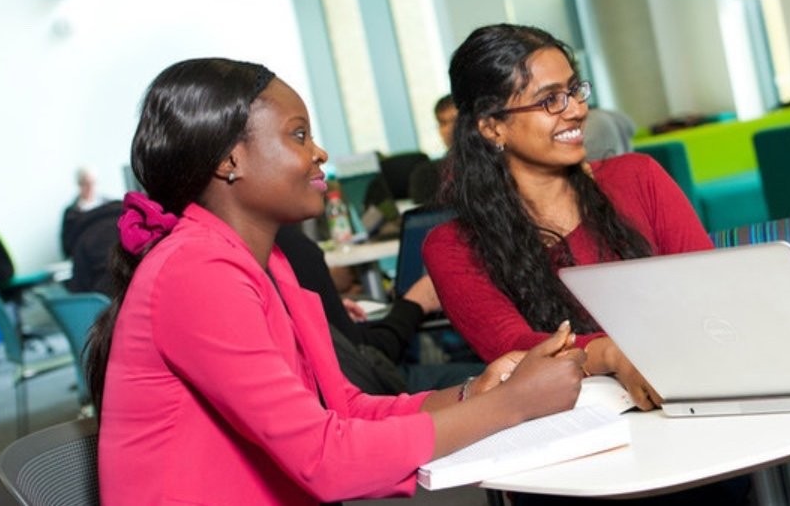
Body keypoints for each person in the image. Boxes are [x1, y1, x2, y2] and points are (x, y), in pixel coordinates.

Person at [84, 58, 585, 505]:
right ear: (228, 160)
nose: (319, 152)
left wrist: (474, 394)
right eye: (298, 135)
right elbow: (325, 459)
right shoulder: (196, 271)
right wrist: (512, 406)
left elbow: (341, 408)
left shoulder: (267, 262)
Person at [423, 24, 713, 411]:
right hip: (574, 432)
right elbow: (514, 346)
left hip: (690, 393)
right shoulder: (453, 246)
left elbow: (707, 289)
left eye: (574, 90)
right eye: (549, 101)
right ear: (492, 127)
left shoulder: (637, 178)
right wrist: (611, 355)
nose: (576, 109)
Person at [274, 223, 483, 394]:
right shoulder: (289, 247)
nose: (320, 170)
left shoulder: (271, 250)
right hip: (371, 390)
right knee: (490, 377)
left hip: (348, 389)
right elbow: (371, 359)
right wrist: (415, 303)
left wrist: (333, 312)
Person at [409, 94, 458, 204]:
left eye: (455, 120)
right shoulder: (428, 175)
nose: (449, 129)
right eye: (443, 123)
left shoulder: (490, 164)